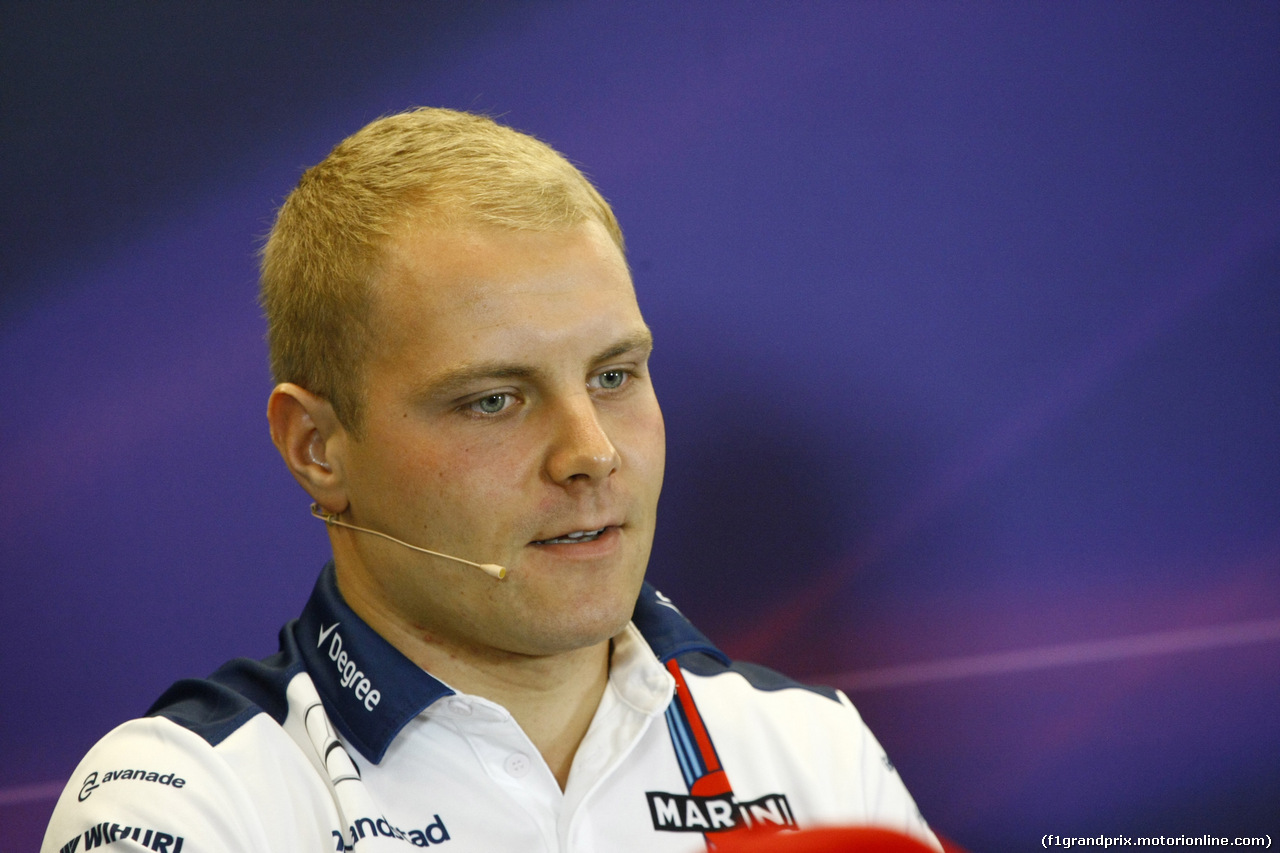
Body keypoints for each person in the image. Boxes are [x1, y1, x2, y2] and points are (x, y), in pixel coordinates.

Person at [41, 107, 941, 853]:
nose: (591, 452)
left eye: (614, 376)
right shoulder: (183, 802)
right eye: (495, 400)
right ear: (317, 444)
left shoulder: (813, 754)